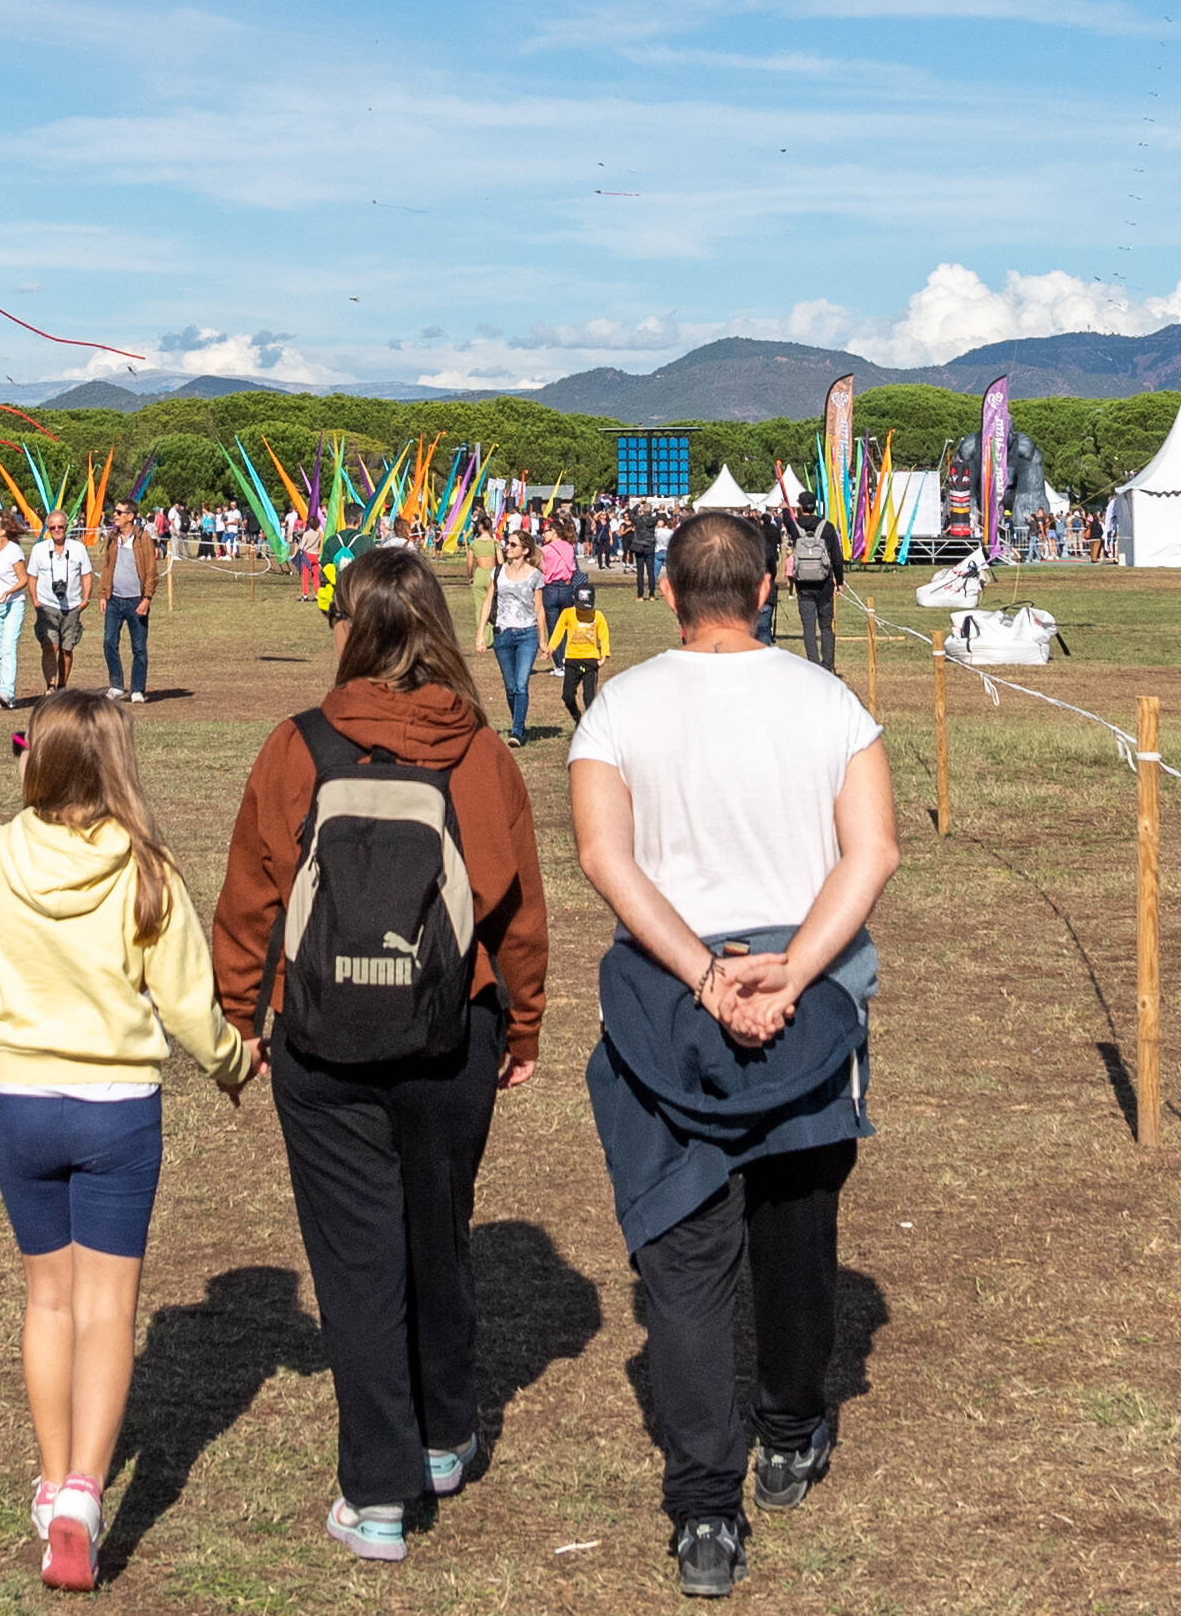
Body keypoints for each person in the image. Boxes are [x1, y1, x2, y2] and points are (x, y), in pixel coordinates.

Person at [568, 510, 900, 1601]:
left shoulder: (615, 709)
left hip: (669, 997)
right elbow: (873, 850)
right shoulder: (830, 702)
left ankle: (704, 1511)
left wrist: (707, 975)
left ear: (665, 594)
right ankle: (791, 1425)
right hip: (806, 997)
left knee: (683, 1256)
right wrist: (795, 970)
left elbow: (602, 856)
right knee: (796, 1227)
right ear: (765, 590)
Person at [209, 545, 549, 1568]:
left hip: (319, 1032)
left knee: (355, 1262)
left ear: (348, 629)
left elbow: (248, 896)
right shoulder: (480, 753)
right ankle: (445, 1431)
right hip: (455, 1026)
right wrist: (520, 1024)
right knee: (437, 1229)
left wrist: (239, 1014)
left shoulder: (295, 745)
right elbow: (517, 912)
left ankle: (376, 1494)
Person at [0, 688, 252, 1591]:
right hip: (116, 1106)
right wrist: (230, 1060)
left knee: (45, 1300)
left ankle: (52, 1476)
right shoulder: (148, 872)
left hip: (21, 1097)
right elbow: (185, 1001)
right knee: (105, 1310)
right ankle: (85, 1498)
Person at [485, 522, 548, 742]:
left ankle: (518, 732)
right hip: (502, 633)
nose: (507, 547)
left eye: (512, 544)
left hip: (527, 634)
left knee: (521, 684)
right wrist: (479, 634)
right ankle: (517, 723)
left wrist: (543, 640)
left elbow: (539, 608)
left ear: (525, 550)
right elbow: (487, 602)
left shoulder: (535, 575)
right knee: (510, 687)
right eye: (507, 543)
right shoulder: (498, 571)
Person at [30, 510, 90, 694]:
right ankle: (50, 685)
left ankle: (63, 686)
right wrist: (35, 601)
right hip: (46, 606)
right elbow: (31, 577)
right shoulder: (39, 549)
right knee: (50, 646)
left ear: (66, 527)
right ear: (48, 529)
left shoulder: (78, 548)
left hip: (72, 606)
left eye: (60, 527)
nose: (57, 530)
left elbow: (86, 575)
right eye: (53, 527)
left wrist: (85, 600)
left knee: (66, 648)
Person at [0, 512, 36, 707]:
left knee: (8, 647)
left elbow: (24, 579)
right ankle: (4, 690)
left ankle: (7, 693)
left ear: (3, 531)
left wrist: (8, 592)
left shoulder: (14, 551)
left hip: (13, 604)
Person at [101, 506, 155, 703]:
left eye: (119, 512)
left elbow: (151, 570)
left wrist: (146, 598)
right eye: (114, 512)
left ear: (130, 516)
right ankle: (116, 685)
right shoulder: (112, 538)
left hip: (136, 600)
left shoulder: (143, 539)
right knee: (108, 642)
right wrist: (103, 594)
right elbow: (107, 567)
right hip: (114, 600)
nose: (114, 515)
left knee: (139, 647)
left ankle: (137, 689)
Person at [784, 510, 841, 670]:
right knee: (825, 626)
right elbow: (836, 555)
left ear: (801, 507)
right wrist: (840, 580)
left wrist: (785, 509)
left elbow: (787, 522)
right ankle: (827, 663)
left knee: (808, 627)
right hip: (824, 584)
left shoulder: (796, 527)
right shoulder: (827, 527)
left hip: (804, 586)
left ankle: (813, 664)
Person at [552, 583, 612, 727]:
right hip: (572, 659)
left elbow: (604, 635)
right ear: (573, 599)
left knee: (589, 698)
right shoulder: (567, 613)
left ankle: (592, 728)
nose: (584, 611)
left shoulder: (598, 616)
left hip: (590, 661)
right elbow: (559, 631)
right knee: (567, 696)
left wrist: (604, 655)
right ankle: (578, 718)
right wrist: (550, 648)